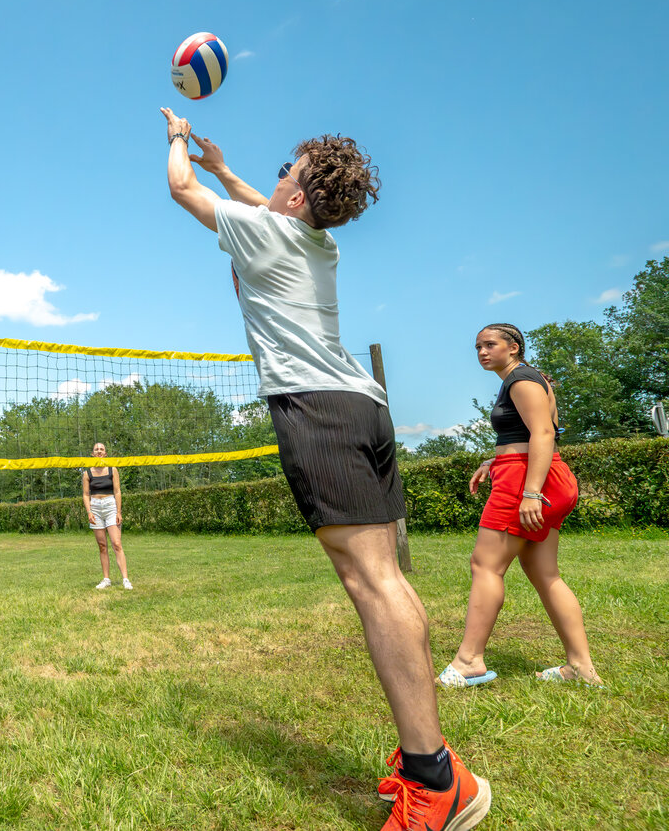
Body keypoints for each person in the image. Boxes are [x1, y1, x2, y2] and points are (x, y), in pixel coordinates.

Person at [161, 106, 490, 831]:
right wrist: (230, 171)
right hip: (363, 407)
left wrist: (180, 139)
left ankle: (437, 779)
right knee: (386, 578)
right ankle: (429, 761)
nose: (277, 177)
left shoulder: (272, 230)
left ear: (298, 195)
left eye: (287, 170)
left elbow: (181, 189)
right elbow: (263, 205)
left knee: (372, 584)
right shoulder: (320, 241)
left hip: (317, 411)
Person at [436, 323, 601, 688]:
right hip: (538, 474)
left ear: (513, 347)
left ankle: (469, 661)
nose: (482, 352)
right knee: (545, 573)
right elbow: (524, 436)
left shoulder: (521, 379)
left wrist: (530, 492)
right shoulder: (523, 378)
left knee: (485, 565)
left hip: (527, 480)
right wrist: (493, 461)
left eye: (490, 344)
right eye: (478, 347)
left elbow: (543, 433)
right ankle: (581, 668)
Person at [83, 441, 131, 590]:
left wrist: (118, 511)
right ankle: (106, 579)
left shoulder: (112, 469)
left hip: (110, 506)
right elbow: (86, 494)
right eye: (96, 449)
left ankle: (125, 579)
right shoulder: (87, 473)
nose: (99, 451)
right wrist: (89, 511)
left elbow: (117, 491)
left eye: (101, 449)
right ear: (92, 454)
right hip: (95, 507)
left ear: (105, 453)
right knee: (102, 546)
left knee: (116, 543)